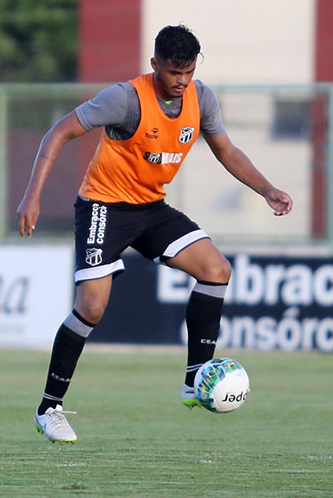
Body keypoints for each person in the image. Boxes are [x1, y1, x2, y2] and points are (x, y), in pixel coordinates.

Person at [17, 24, 292, 443]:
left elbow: (227, 150)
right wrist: (31, 197)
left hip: (150, 207)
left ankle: (194, 379)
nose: (182, 81)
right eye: (173, 72)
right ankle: (49, 407)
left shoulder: (201, 98)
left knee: (216, 269)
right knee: (91, 307)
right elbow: (59, 132)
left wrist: (267, 188)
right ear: (155, 65)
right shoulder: (125, 99)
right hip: (103, 206)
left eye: (189, 72)